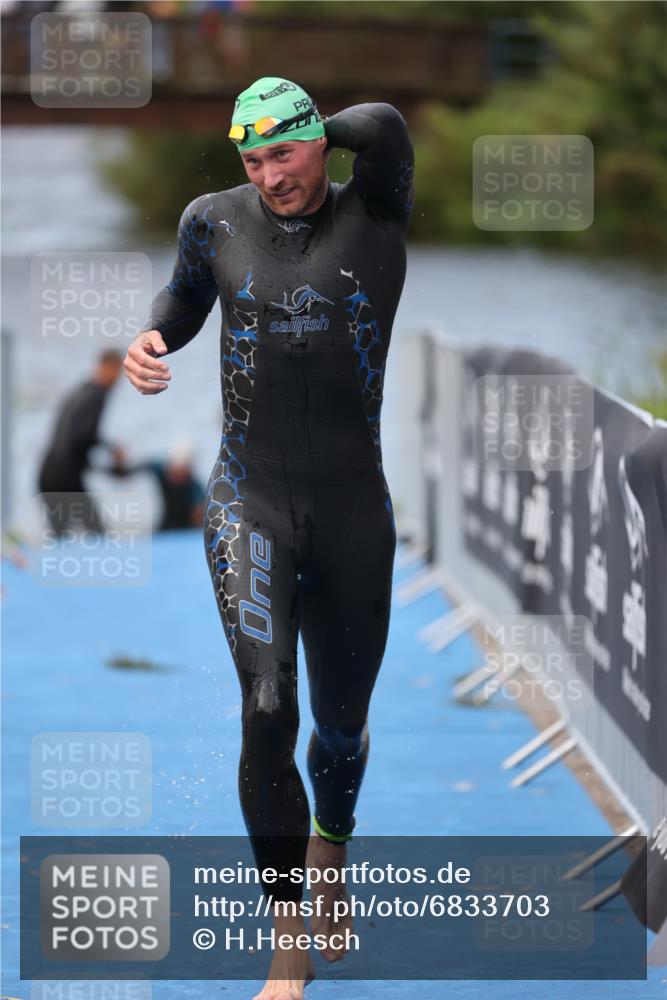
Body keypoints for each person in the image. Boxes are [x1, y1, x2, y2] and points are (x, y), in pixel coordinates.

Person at [123, 76, 414, 999]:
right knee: (265, 709)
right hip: (247, 503)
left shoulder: (378, 205)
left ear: (318, 145)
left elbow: (387, 123)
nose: (269, 175)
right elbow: (181, 303)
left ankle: (331, 844)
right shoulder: (213, 220)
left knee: (337, 729)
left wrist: (307, 127)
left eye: (282, 153)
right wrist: (150, 341)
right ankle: (287, 939)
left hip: (354, 511)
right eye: (251, 159)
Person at [37, 349, 124, 536]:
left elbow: (73, 437)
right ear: (106, 368)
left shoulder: (82, 390)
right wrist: (111, 452)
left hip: (50, 473)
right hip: (64, 479)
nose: (119, 379)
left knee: (62, 537)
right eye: (118, 371)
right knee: (97, 532)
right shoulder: (96, 396)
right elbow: (82, 437)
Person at [111, 437, 206, 532]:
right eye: (175, 471)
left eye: (183, 470)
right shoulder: (160, 470)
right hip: (164, 530)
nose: (177, 477)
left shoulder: (195, 488)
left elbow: (199, 517)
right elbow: (127, 471)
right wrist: (121, 462)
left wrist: (199, 515)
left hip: (186, 533)